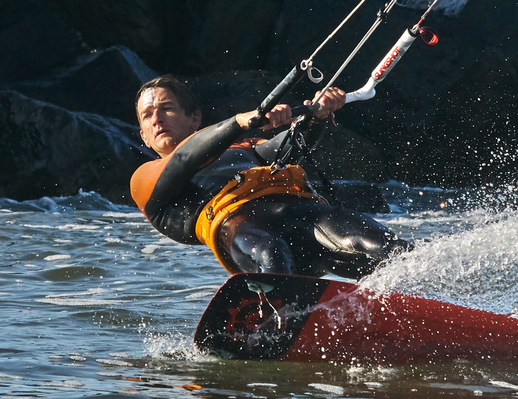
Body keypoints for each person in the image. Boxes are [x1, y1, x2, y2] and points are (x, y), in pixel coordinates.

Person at [130, 74, 407, 278]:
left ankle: (431, 303)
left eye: (166, 109)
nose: (157, 119)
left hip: (304, 212)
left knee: (384, 246)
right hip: (242, 227)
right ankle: (279, 321)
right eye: (147, 115)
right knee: (272, 253)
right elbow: (184, 158)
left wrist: (317, 116)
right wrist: (240, 121)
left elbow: (290, 145)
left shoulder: (244, 147)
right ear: (143, 136)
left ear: (194, 118)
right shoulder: (144, 178)